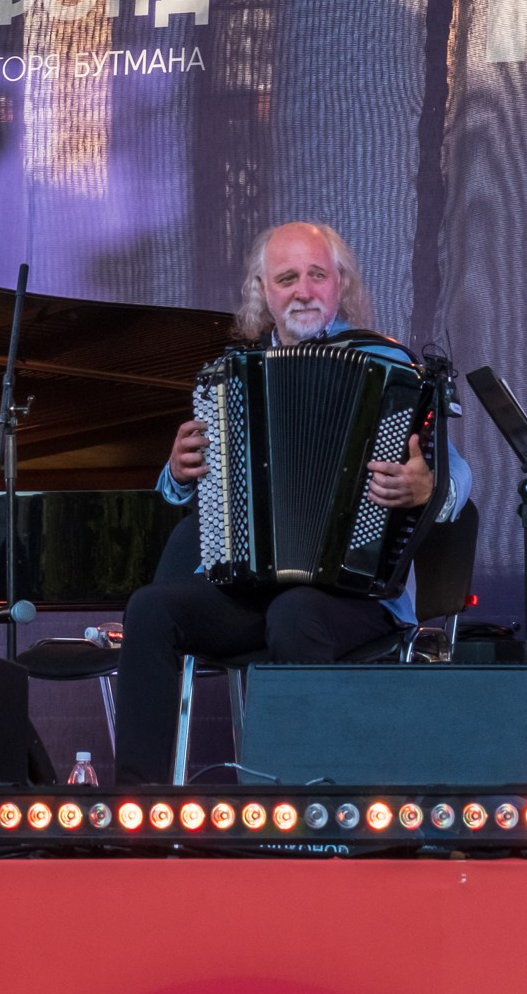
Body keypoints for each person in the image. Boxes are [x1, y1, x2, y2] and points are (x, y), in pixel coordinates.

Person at [113, 221, 473, 784]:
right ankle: (137, 806)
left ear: (340, 285)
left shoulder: (388, 365)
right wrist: (179, 473)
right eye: (287, 278)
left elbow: (459, 480)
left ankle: (299, 808)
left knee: (297, 613)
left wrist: (427, 489)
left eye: (316, 275)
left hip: (356, 596)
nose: (303, 290)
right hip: (254, 591)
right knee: (151, 609)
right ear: (263, 290)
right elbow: (194, 489)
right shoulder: (235, 380)